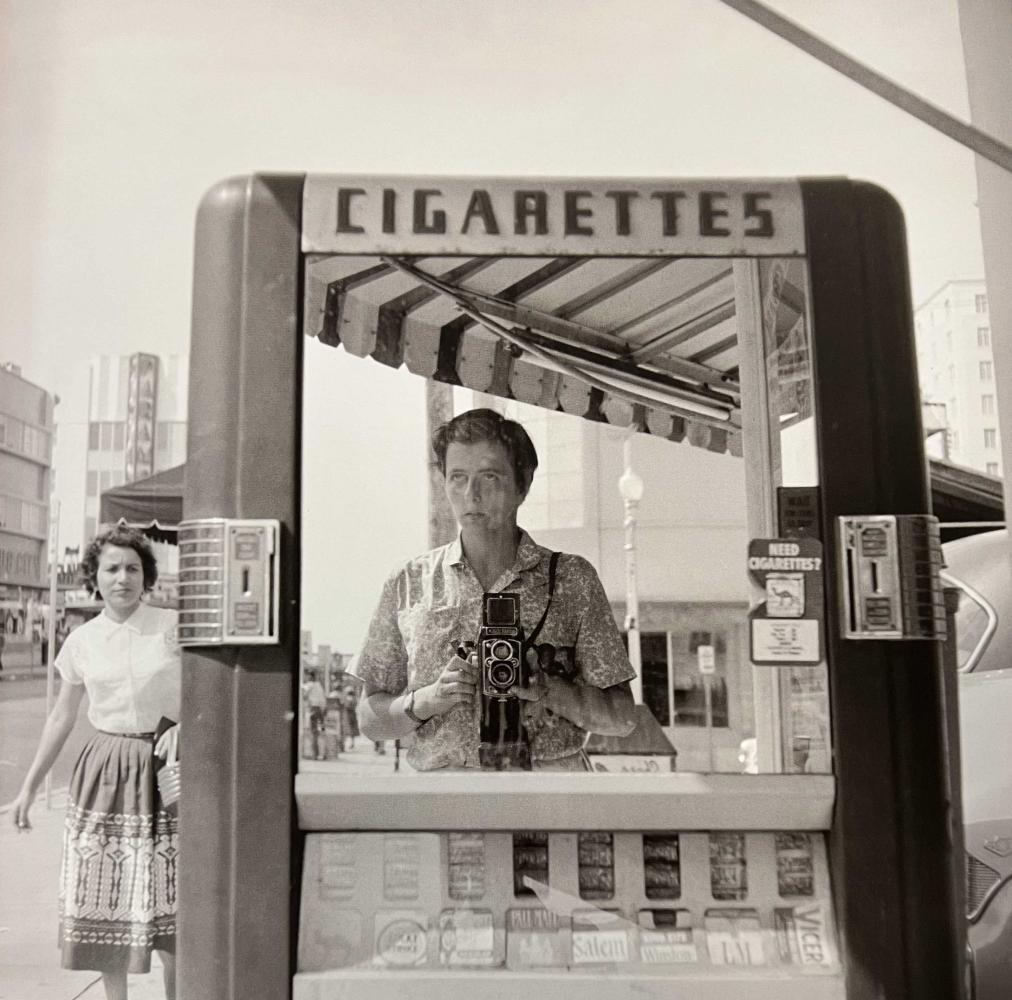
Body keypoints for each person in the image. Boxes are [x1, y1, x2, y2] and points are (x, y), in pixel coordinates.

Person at [354, 408, 636, 771]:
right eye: (457, 477)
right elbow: (368, 719)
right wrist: (428, 700)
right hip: (447, 791)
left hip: (549, 788)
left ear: (523, 483)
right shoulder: (409, 582)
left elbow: (622, 718)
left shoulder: (571, 579)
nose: (471, 494)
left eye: (489, 477)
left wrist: (547, 689)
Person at [10, 525, 180, 1000]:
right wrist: (28, 788)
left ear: (146, 576)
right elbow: (62, 716)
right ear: (95, 577)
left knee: (173, 906)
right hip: (106, 771)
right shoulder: (82, 640)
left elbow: (209, 693)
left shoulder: (173, 627)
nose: (123, 578)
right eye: (112, 569)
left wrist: (188, 724)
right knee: (106, 896)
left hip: (167, 766)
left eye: (133, 569)